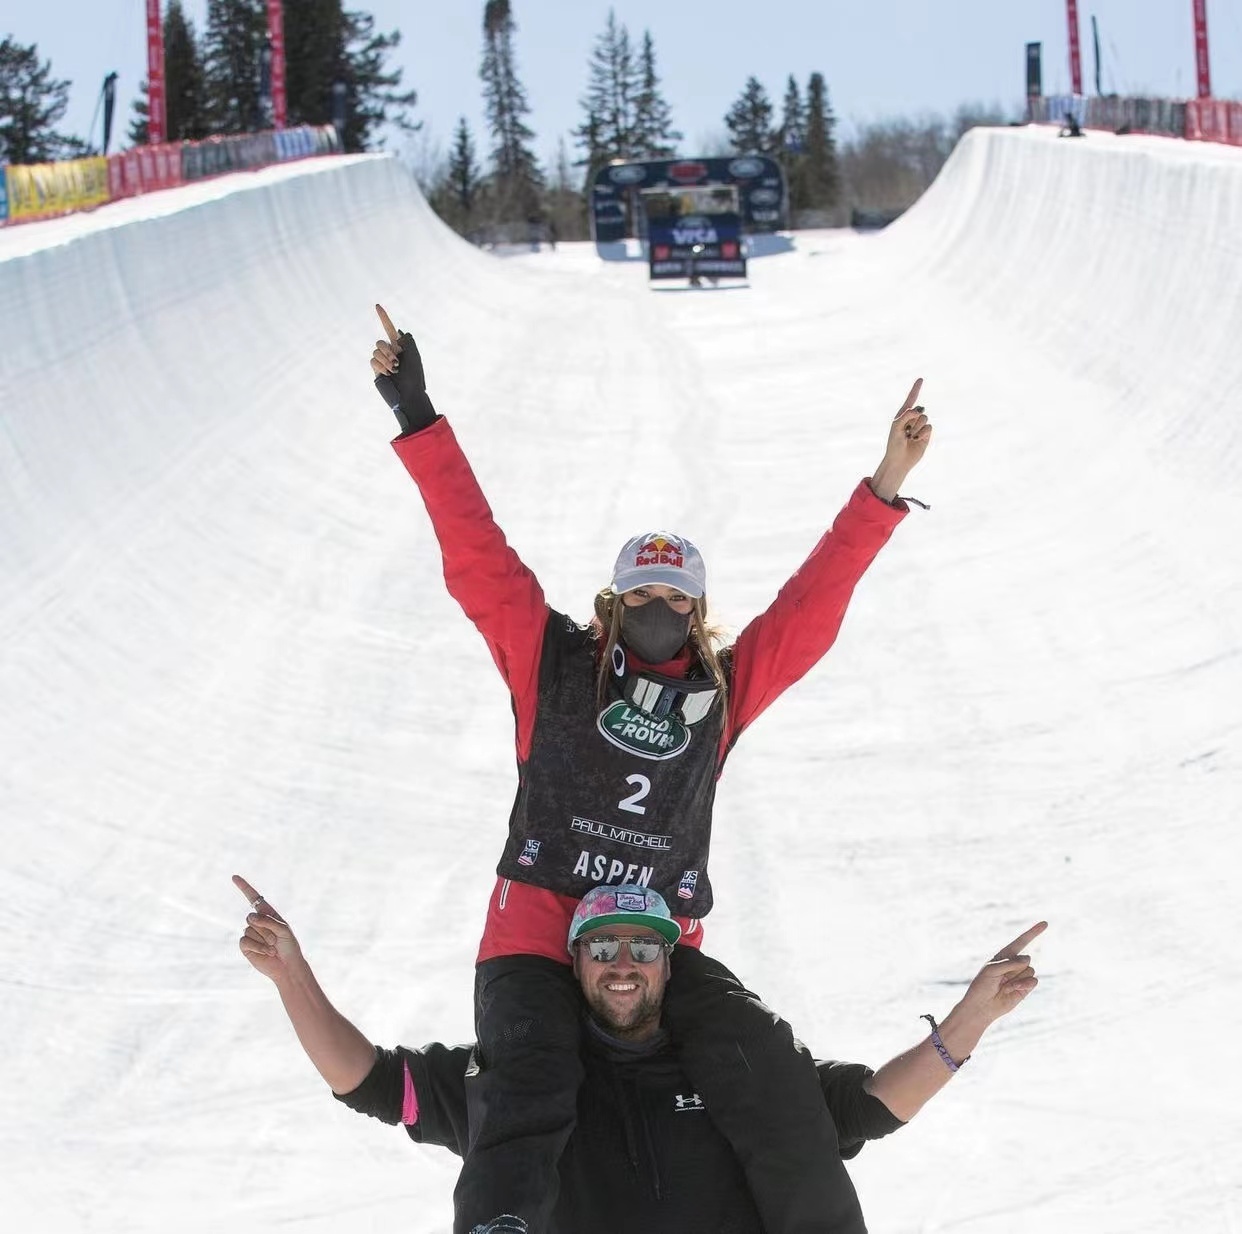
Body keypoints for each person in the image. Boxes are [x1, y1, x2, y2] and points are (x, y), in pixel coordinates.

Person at [369, 306, 934, 1234]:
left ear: (698, 612)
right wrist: (419, 420)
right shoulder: (554, 666)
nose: (660, 609)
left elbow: (807, 613)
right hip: (537, 936)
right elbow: (480, 561)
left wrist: (883, 488)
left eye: (677, 597)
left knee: (761, 1066)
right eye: (643, 594)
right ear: (612, 604)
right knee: (530, 1082)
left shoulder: (718, 695)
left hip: (658, 941)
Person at [234, 875, 1046, 1234]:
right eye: (603, 947)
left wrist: (972, 1017)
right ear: (575, 963)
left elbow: (870, 1106)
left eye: (642, 948)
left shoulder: (734, 1069)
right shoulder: (520, 1081)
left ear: (667, 963)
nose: (622, 964)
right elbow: (372, 1082)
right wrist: (290, 976)